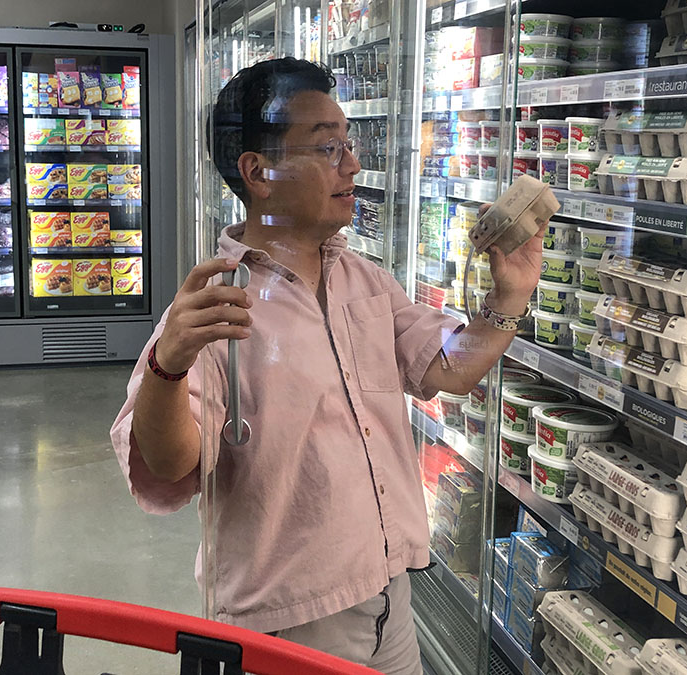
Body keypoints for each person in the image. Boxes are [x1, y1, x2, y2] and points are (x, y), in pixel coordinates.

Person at [110, 57, 545, 674]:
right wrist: (167, 367)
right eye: (327, 147)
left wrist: (508, 298)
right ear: (258, 171)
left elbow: (448, 369)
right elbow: (170, 464)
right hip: (286, 625)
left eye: (349, 143)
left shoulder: (363, 280)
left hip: (389, 595)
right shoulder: (216, 308)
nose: (353, 164)